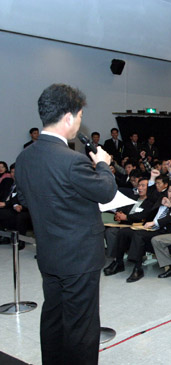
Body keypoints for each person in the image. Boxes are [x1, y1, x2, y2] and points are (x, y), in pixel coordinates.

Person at [15, 84, 117, 365]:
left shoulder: (23, 159)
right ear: (69, 117)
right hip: (80, 257)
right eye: (81, 116)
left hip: (49, 253)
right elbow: (106, 192)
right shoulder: (72, 161)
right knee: (82, 328)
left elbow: (25, 198)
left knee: (54, 318)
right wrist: (103, 164)